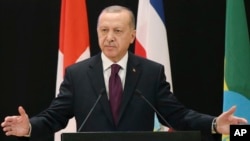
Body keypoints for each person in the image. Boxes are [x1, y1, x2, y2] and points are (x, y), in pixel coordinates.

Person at [1, 5, 248, 141]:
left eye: (117, 31)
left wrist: (216, 124)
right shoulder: (76, 74)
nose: (109, 37)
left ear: (132, 36)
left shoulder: (151, 73)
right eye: (104, 30)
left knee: (241, 132)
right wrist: (29, 127)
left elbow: (176, 116)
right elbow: (55, 117)